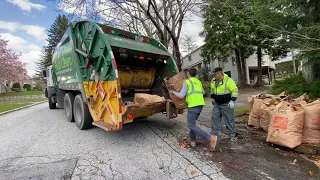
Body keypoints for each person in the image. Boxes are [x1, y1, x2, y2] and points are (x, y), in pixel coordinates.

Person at [169, 67, 217, 151]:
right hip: (200, 105)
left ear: (188, 74)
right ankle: (193, 141)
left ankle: (210, 138)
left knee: (191, 125)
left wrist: (173, 92)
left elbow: (181, 95)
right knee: (193, 124)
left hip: (193, 106)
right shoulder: (198, 81)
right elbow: (203, 92)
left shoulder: (186, 82)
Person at [210, 67, 239, 141]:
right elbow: (212, 91)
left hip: (227, 103)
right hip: (217, 103)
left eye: (216, 74)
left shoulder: (228, 80)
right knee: (215, 118)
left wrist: (232, 100)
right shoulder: (213, 81)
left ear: (220, 73)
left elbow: (235, 90)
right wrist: (214, 99)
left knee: (229, 120)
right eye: (214, 74)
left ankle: (232, 135)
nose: (215, 76)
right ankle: (214, 134)